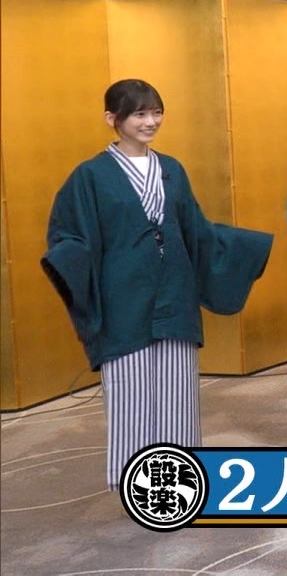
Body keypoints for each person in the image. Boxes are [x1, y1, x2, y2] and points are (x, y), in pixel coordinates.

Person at [42, 79, 273, 490]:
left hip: (175, 293)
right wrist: (66, 259)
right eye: (139, 114)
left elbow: (196, 231)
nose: (151, 122)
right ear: (112, 118)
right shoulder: (90, 176)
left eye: (156, 112)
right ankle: (136, 484)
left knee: (177, 394)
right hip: (123, 298)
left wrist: (246, 248)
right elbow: (70, 232)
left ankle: (178, 481)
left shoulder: (172, 170)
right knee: (129, 394)